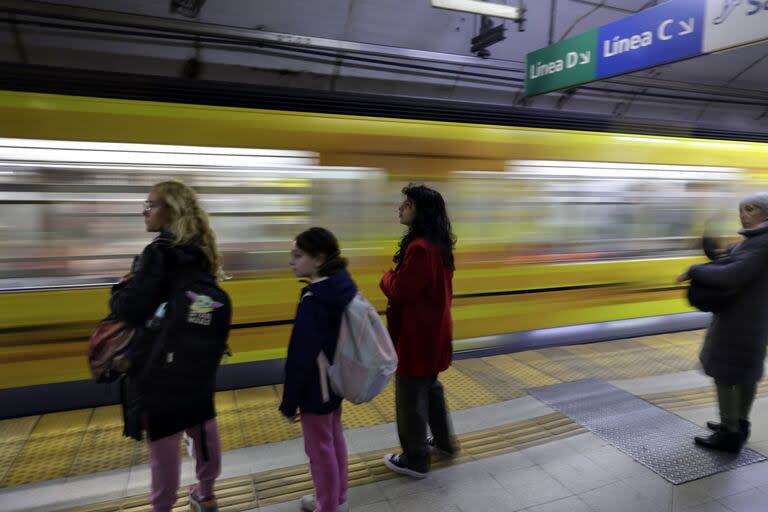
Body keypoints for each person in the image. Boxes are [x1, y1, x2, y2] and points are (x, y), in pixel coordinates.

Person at [110, 180, 230, 512]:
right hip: (197, 360)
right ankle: (206, 493)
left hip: (161, 365)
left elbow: (133, 309)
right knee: (201, 424)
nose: (144, 212)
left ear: (171, 211)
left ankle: (161, 506)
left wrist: (118, 290)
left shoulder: (158, 253)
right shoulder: (200, 252)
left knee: (163, 440)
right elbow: (198, 306)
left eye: (151, 205)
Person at [679, 192, 768, 453]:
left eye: (751, 209)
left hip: (742, 321)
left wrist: (694, 271)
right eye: (742, 209)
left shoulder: (762, 243)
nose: (743, 214)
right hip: (749, 319)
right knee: (743, 374)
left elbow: (732, 274)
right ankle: (737, 424)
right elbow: (727, 261)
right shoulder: (754, 241)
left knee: (726, 375)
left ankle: (729, 433)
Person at [380, 184, 457, 478]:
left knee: (410, 398)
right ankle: (443, 442)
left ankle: (415, 459)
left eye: (408, 204)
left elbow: (400, 291)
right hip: (434, 332)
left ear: (421, 211)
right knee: (431, 389)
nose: (401, 208)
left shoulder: (420, 249)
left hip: (417, 336)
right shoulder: (439, 245)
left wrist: (387, 277)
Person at [279, 227, 356, 512]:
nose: (292, 261)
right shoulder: (340, 285)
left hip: (315, 387)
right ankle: (338, 498)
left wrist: (289, 401)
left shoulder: (313, 300)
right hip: (334, 380)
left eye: (298, 255)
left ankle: (327, 506)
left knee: (319, 451)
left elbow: (301, 356)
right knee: (334, 439)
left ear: (319, 259)